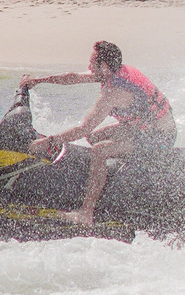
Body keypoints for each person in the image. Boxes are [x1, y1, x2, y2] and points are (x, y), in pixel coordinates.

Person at [20, 40, 175, 225]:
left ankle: (86, 213)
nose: (88, 66)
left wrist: (50, 141)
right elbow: (73, 77)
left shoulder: (114, 91)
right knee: (94, 138)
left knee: (99, 150)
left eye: (91, 62)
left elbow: (83, 128)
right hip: (142, 129)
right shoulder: (114, 71)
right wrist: (38, 81)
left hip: (159, 138)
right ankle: (109, 179)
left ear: (104, 67)